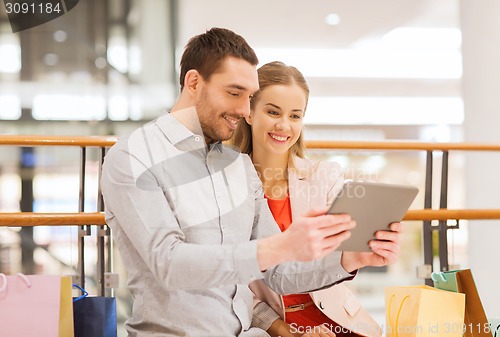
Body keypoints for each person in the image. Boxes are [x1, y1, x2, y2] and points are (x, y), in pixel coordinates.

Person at [100, 28, 400, 337]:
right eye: (234, 93)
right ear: (193, 82)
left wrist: (350, 259)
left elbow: (279, 273)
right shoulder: (133, 156)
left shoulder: (238, 167)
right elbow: (169, 263)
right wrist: (277, 247)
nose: (245, 110)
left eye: (249, 96)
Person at [232, 61, 400, 337]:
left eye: (295, 116)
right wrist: (289, 333)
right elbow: (234, 288)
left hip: (335, 319)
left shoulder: (324, 177)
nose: (284, 125)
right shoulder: (228, 186)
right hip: (271, 327)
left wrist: (374, 242)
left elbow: (347, 250)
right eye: (273, 111)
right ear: (249, 112)